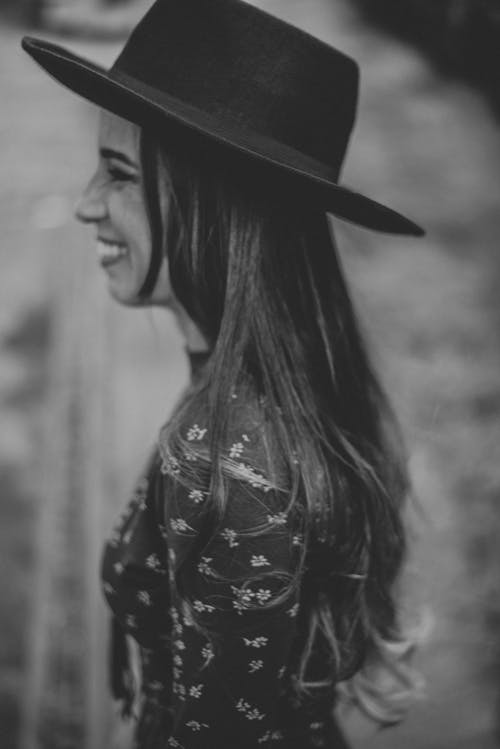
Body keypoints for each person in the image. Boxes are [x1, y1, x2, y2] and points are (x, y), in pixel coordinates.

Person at [22, 0, 425, 746]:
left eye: (116, 173)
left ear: (208, 200)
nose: (86, 205)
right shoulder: (287, 378)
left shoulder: (226, 462)